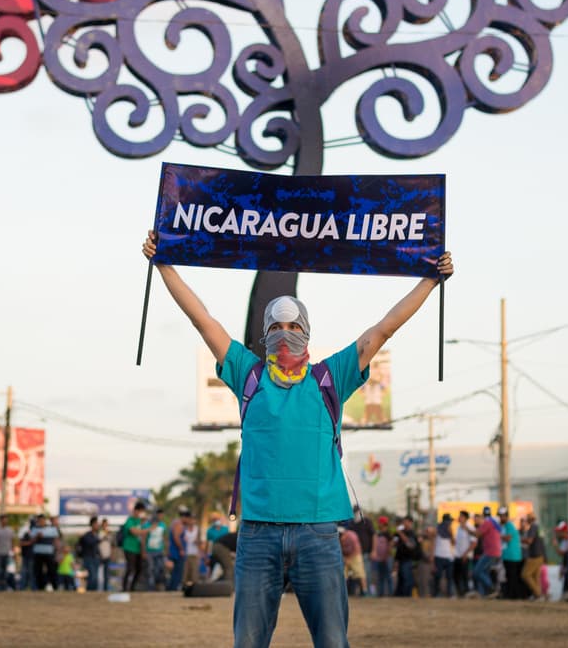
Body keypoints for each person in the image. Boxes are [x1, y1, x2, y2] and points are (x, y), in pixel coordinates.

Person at [142, 231, 452, 647]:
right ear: (264, 333)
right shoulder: (246, 374)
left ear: (306, 331)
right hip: (257, 536)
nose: (284, 334)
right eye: (275, 326)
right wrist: (164, 264)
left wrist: (430, 279)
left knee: (332, 641)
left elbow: (383, 330)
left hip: (318, 535)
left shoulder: (330, 378)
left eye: (292, 326)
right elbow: (203, 320)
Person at [471, 507, 501, 598]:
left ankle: (492, 588)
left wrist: (466, 529)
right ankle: (486, 592)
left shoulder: (487, 523)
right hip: (494, 552)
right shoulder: (493, 522)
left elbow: (477, 534)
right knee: (484, 572)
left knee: (477, 571)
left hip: (490, 552)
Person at [121, 502, 149, 591]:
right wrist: (145, 530)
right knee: (130, 568)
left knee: (139, 568)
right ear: (136, 510)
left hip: (138, 549)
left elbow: (144, 535)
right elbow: (134, 531)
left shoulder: (141, 521)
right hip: (129, 548)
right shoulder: (130, 520)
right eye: (141, 511)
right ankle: (124, 588)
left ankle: (133, 588)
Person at [498, 507, 523, 599]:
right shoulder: (505, 526)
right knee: (510, 576)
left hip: (512, 556)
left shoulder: (509, 525)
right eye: (500, 516)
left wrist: (498, 535)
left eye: (502, 516)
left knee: (512, 577)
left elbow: (508, 538)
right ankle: (511, 595)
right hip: (508, 556)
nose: (501, 518)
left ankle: (513, 596)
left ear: (506, 516)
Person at [393, 516, 421, 598]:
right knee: (401, 580)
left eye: (406, 522)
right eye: (403, 522)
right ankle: (400, 596)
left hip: (408, 560)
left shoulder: (411, 533)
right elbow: (394, 543)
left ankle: (406, 596)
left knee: (407, 580)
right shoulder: (399, 533)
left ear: (410, 523)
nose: (404, 524)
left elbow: (410, 544)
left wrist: (400, 533)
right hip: (400, 559)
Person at [521, 513, 546, 600]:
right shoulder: (540, 527)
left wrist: (519, 539)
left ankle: (538, 594)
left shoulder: (533, 527)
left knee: (525, 575)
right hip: (540, 555)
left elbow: (529, 541)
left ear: (529, 519)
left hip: (534, 555)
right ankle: (537, 596)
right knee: (536, 577)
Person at [32, 513, 60, 591]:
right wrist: (37, 537)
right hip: (38, 553)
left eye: (42, 520)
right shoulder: (35, 529)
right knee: (38, 571)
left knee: (52, 570)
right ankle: (40, 587)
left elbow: (56, 541)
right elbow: (31, 541)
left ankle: (55, 586)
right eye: (39, 520)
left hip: (49, 553)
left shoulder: (52, 529)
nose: (41, 522)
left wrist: (58, 553)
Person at [432, 513, 455, 598]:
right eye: (449, 521)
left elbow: (453, 543)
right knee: (438, 576)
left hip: (449, 557)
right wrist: (432, 556)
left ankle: (450, 594)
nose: (450, 523)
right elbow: (433, 543)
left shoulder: (450, 530)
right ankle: (436, 593)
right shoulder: (437, 529)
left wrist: (451, 533)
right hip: (439, 556)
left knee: (449, 577)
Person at [453, 510, 474, 599]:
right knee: (456, 576)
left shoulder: (470, 528)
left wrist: (466, 554)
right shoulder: (458, 528)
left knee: (465, 576)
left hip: (465, 556)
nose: (459, 518)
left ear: (465, 518)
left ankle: (466, 594)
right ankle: (459, 594)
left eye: (461, 516)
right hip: (457, 555)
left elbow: (473, 543)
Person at [78, 517, 102, 592]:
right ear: (92, 524)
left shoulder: (97, 535)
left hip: (96, 558)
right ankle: (90, 592)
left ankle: (93, 592)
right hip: (88, 558)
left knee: (95, 577)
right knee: (92, 576)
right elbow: (89, 543)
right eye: (96, 524)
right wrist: (98, 539)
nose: (98, 525)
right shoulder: (87, 535)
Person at [370, 516, 393, 598]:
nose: (378, 524)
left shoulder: (388, 534)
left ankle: (390, 593)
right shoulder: (378, 533)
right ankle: (381, 593)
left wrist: (387, 555)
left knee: (388, 576)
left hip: (386, 558)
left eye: (380, 522)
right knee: (380, 577)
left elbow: (390, 545)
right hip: (379, 559)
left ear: (383, 523)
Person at [146, 509, 168, 589]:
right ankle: (150, 587)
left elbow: (164, 538)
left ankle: (158, 586)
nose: (161, 517)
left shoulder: (163, 525)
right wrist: (143, 551)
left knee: (159, 569)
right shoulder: (148, 524)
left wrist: (165, 550)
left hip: (159, 551)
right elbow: (144, 537)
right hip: (149, 551)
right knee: (150, 569)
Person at [0, 517, 15, 591]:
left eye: (6, 519)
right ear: (0, 521)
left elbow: (12, 542)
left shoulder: (10, 530)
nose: (5, 521)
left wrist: (13, 552)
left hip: (6, 553)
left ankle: (4, 586)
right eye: (3, 519)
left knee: (5, 571)